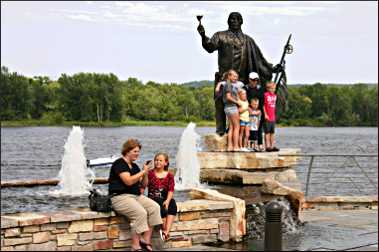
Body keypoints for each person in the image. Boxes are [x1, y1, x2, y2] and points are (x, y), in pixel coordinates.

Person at [197, 12, 282, 136]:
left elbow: (259, 59)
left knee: (240, 107)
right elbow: (210, 47)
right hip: (224, 78)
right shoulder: (220, 36)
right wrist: (203, 35)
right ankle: (220, 132)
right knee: (220, 105)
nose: (234, 21)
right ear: (228, 21)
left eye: (237, 19)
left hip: (241, 80)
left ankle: (238, 134)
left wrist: (273, 68)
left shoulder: (248, 40)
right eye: (231, 19)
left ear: (241, 22)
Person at [108, 139, 162, 251]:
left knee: (155, 207)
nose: (137, 154)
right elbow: (128, 181)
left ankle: (145, 240)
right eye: (135, 151)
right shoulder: (119, 163)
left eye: (138, 152)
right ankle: (135, 246)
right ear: (127, 151)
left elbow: (143, 185)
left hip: (136, 196)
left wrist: (145, 173)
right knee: (140, 213)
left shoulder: (135, 166)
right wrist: (142, 172)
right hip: (119, 197)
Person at [147, 153, 177, 242]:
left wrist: (167, 201)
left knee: (172, 204)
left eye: (160, 160)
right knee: (161, 206)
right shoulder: (150, 174)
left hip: (164, 198)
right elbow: (143, 185)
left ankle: (166, 232)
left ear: (166, 163)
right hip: (153, 198)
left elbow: (171, 190)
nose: (157, 162)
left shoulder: (170, 176)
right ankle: (163, 230)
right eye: (156, 160)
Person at [223, 69, 244, 151]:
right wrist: (238, 102)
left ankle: (230, 146)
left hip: (227, 108)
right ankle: (236, 146)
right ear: (229, 76)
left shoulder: (229, 84)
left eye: (237, 77)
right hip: (232, 107)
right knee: (237, 127)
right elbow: (228, 97)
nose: (236, 78)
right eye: (234, 76)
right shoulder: (228, 84)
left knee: (231, 127)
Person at [244, 72, 265, 151]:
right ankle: (249, 145)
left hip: (258, 111)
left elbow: (262, 101)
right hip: (248, 111)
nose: (254, 81)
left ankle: (259, 144)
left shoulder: (260, 88)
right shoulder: (245, 88)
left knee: (258, 128)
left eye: (256, 80)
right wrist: (249, 109)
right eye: (253, 80)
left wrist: (259, 111)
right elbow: (244, 99)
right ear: (249, 80)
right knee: (248, 130)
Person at [263, 82, 280, 152]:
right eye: (272, 88)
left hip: (273, 117)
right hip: (267, 117)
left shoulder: (274, 96)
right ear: (268, 88)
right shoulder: (265, 95)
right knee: (267, 132)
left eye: (274, 88)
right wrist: (265, 114)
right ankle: (267, 146)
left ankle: (272, 146)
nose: (273, 90)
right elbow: (263, 105)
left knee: (272, 132)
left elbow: (274, 106)